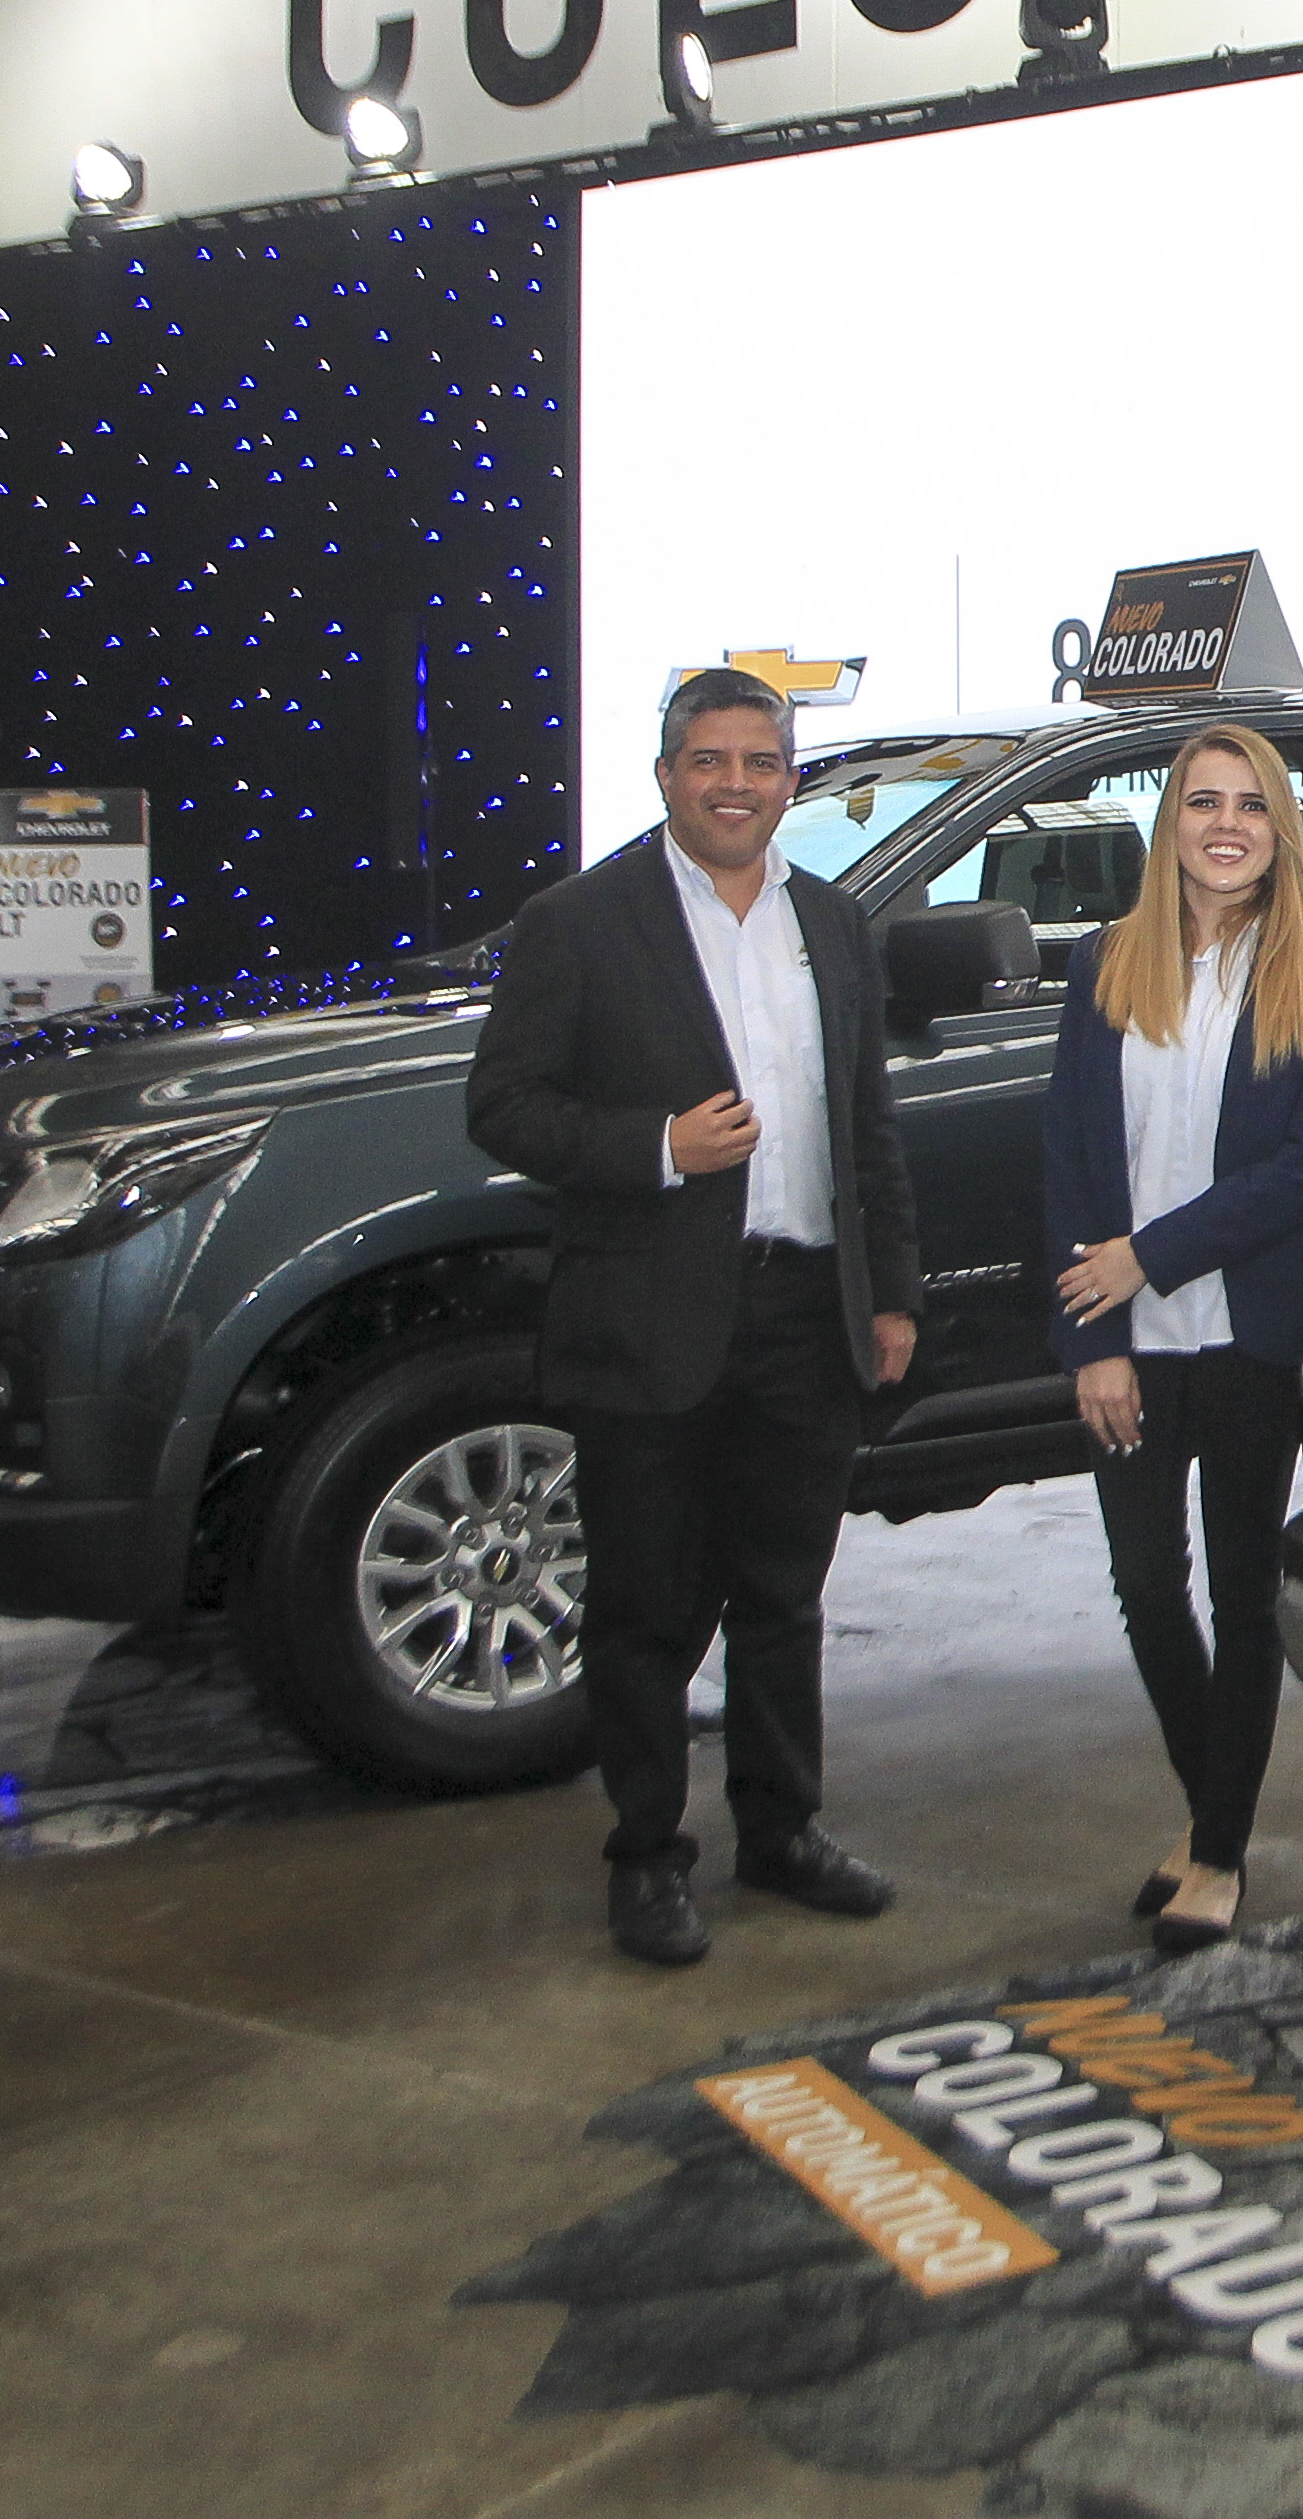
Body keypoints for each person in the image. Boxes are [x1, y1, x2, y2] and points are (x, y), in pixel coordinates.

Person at [465, 667, 922, 1966]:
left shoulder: (830, 923)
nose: (736, 784)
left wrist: (888, 1291)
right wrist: (657, 1144)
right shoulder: (578, 921)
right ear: (667, 775)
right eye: (709, 761)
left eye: (759, 763)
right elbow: (503, 1106)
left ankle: (782, 1834)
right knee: (646, 1608)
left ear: (790, 779)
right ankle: (648, 1858)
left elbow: (865, 1128)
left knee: (783, 1596)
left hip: (803, 1310)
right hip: (650, 1317)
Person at [1040, 725, 1303, 1953]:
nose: (1225, 826)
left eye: (1251, 807)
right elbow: (1071, 1157)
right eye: (1201, 803)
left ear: (1281, 834)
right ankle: (1211, 1809)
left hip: (1247, 1339)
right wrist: (1099, 1333)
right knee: (1141, 1583)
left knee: (1243, 1595)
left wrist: (1150, 1255)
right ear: (1168, 824)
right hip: (1129, 1338)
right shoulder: (1105, 965)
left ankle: (1218, 1852)